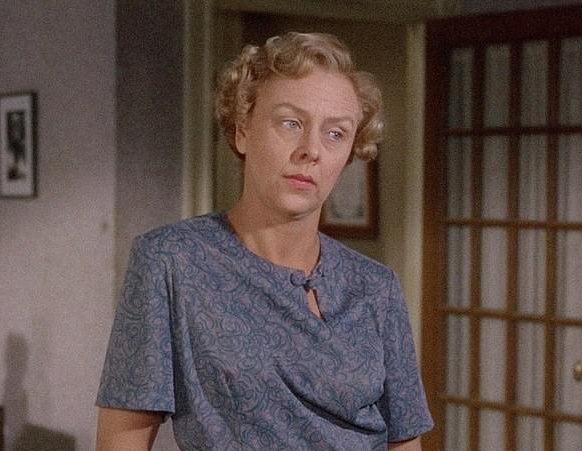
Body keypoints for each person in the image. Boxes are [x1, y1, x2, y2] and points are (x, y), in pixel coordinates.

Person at [95, 31, 433, 450]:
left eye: (335, 133)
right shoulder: (172, 261)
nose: (310, 150)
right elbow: (120, 443)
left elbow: (405, 441)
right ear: (243, 131)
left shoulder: (376, 287)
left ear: (350, 152)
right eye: (291, 123)